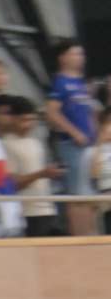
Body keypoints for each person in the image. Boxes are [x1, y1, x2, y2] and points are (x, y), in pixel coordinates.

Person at [44, 40, 98, 237]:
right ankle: (79, 238)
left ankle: (89, 236)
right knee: (76, 196)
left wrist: (96, 137)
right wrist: (74, 132)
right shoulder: (60, 82)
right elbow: (51, 112)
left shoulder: (81, 82)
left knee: (88, 195)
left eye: (81, 54)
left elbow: (89, 111)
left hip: (88, 145)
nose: (79, 59)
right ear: (63, 58)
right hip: (71, 144)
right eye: (75, 54)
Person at [0, 95, 64, 237]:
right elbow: (12, 182)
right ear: (13, 118)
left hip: (48, 209)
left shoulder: (35, 143)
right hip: (28, 213)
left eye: (32, 120)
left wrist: (51, 175)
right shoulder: (6, 145)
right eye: (24, 120)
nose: (29, 124)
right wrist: (42, 174)